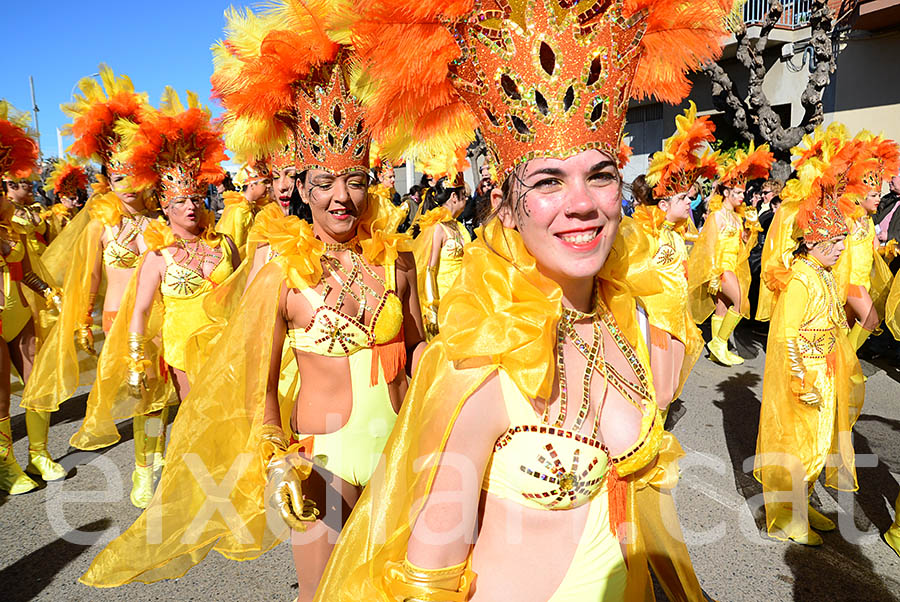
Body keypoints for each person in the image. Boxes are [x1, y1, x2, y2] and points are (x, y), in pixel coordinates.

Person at [315, 0, 728, 600]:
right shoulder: (480, 360)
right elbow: (430, 571)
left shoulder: (629, 320)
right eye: (548, 180)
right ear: (506, 206)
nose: (582, 202)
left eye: (601, 175)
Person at [79, 10, 425, 602]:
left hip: (399, 451)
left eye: (356, 180)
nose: (340, 198)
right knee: (323, 594)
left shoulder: (398, 262)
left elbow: (419, 354)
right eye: (323, 183)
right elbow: (260, 381)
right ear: (302, 184)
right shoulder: (282, 272)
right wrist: (274, 458)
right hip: (324, 462)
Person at [22, 69, 169, 509]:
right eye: (117, 176)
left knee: (157, 395)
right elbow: (87, 276)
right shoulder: (100, 225)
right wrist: (83, 319)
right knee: (139, 391)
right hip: (115, 319)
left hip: (159, 317)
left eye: (133, 175)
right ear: (108, 176)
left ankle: (149, 461)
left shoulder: (158, 223)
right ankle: (144, 470)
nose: (126, 184)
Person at [754, 127, 865, 546]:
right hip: (805, 376)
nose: (839, 250)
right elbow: (784, 337)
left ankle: (803, 505)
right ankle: (785, 515)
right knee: (799, 447)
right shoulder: (801, 278)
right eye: (833, 243)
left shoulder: (823, 273)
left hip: (826, 371)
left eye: (842, 243)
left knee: (818, 446)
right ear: (814, 240)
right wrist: (803, 380)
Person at [632, 101, 717, 415]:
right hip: (658, 321)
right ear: (664, 203)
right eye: (682, 198)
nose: (689, 202)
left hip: (679, 317)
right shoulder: (644, 231)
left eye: (689, 196)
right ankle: (644, 447)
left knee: (671, 388)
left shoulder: (676, 231)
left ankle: (656, 438)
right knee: (662, 392)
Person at [0, 100, 66, 495]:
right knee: (2, 395)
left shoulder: (14, 227)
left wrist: (50, 292)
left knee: (38, 380)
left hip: (20, 312)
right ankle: (6, 464)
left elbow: (23, 273)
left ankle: (39, 453)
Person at [688, 143, 774, 366]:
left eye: (742, 192)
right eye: (737, 192)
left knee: (724, 306)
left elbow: (744, 243)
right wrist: (714, 273)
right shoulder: (716, 216)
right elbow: (708, 245)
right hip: (722, 268)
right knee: (740, 303)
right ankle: (719, 342)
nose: (741, 196)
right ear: (726, 192)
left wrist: (751, 227)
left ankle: (719, 347)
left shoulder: (737, 217)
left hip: (732, 266)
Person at [833, 133, 899, 351]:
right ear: (860, 196)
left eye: (879, 194)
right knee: (870, 320)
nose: (878, 199)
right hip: (849, 282)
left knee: (850, 325)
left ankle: (839, 363)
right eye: (873, 194)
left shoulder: (869, 223)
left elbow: (874, 250)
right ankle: (848, 364)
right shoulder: (849, 221)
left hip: (864, 282)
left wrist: (888, 249)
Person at [412, 176, 470, 339]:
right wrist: (431, 306)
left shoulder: (458, 226)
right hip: (445, 300)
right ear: (454, 197)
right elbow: (429, 268)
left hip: (463, 296)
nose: (466, 200)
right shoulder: (437, 228)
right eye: (463, 196)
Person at [215, 158, 272, 258]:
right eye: (265, 182)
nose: (269, 186)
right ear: (252, 186)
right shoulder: (240, 211)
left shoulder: (254, 207)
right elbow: (234, 248)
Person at [41, 158, 87, 241]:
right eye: (72, 199)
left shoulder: (74, 212)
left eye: (76, 198)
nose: (75, 201)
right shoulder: (54, 216)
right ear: (62, 198)